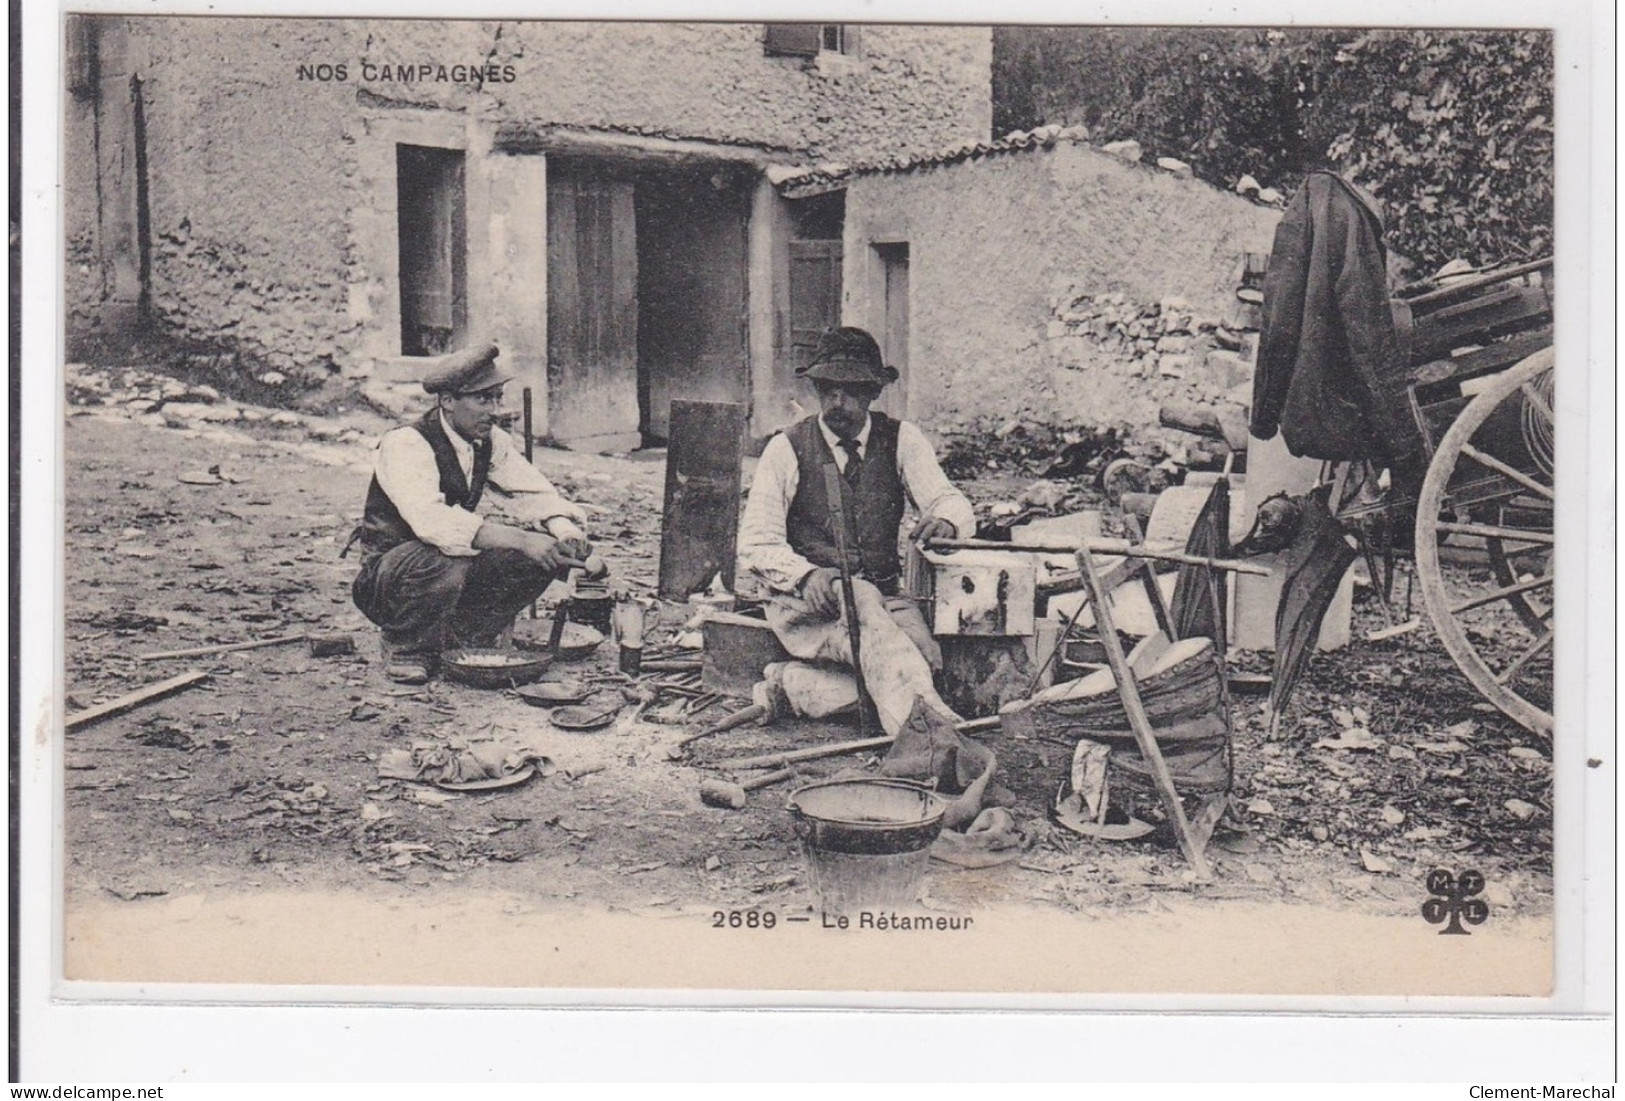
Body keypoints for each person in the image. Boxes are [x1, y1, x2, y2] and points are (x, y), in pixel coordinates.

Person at [738, 326, 975, 735]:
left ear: (873, 392)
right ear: (815, 389)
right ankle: (928, 736)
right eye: (828, 389)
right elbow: (756, 542)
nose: (837, 402)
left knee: (928, 662)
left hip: (884, 600)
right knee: (893, 658)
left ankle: (792, 686)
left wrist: (947, 520)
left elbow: (948, 499)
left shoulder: (901, 439)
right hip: (810, 609)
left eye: (850, 391)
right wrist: (806, 575)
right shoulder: (787, 448)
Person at [348, 342, 593, 684]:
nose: (494, 410)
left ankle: (465, 638)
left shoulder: (488, 441)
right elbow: (432, 522)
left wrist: (564, 533)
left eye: (497, 398)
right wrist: (523, 538)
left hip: (445, 570)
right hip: (389, 580)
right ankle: (406, 647)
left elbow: (532, 492)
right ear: (447, 401)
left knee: (542, 553)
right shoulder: (407, 443)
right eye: (482, 399)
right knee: (446, 555)